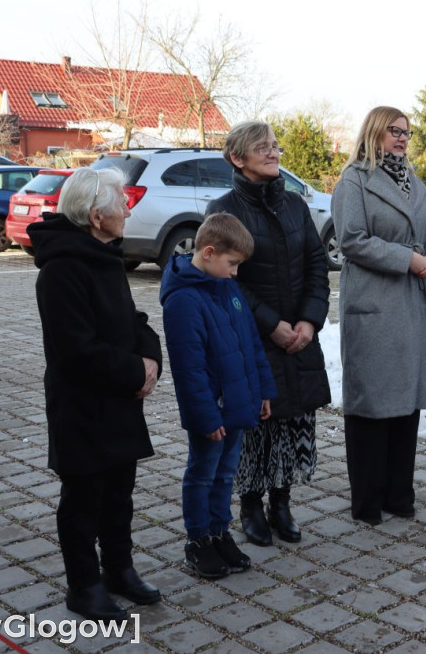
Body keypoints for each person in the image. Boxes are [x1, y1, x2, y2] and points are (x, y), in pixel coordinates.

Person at [28, 167, 162, 622]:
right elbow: (75, 352)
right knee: (84, 499)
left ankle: (119, 569)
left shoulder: (105, 255)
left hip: (118, 400)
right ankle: (83, 586)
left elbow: (132, 320)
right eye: (121, 202)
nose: (128, 208)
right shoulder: (62, 271)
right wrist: (133, 371)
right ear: (95, 215)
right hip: (82, 406)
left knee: (119, 493)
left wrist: (151, 360)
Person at [207, 120, 331, 546]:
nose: (274, 152)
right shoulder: (223, 210)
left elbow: (317, 265)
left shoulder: (295, 205)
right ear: (237, 158)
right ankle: (250, 504)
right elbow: (227, 280)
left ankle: (283, 501)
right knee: (255, 423)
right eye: (263, 147)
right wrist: (271, 325)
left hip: (298, 335)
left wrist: (308, 321)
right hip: (252, 338)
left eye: (275, 146)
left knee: (294, 419)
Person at [331, 106, 426, 525]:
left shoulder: (415, 183)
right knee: (371, 405)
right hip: (373, 303)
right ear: (375, 133)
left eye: (406, 133)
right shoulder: (353, 181)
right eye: (394, 131)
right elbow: (352, 240)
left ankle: (400, 494)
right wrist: (408, 259)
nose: (401, 138)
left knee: (405, 403)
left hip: (410, 304)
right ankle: (368, 501)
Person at [160, 213, 277, 578]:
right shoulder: (184, 301)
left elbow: (251, 345)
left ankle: (219, 532)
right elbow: (189, 369)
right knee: (202, 474)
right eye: (232, 263)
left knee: (226, 475)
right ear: (209, 252)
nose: (235, 273)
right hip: (211, 412)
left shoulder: (228, 288)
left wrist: (263, 390)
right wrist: (206, 417)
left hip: (238, 404)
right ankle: (198, 541)